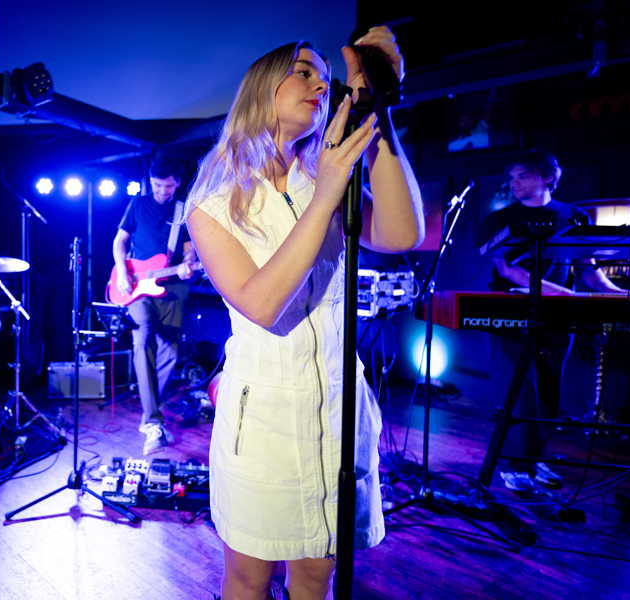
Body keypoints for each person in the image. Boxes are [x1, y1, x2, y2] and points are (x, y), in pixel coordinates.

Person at [185, 28, 423, 599]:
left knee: (317, 574)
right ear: (262, 89)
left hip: (339, 410)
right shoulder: (213, 203)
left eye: (327, 77)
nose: (321, 85)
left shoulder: (324, 177)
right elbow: (263, 305)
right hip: (263, 420)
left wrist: (378, 110)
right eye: (304, 72)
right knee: (250, 578)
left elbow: (402, 233)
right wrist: (325, 199)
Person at [478, 149, 628, 491]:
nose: (514, 183)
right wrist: (564, 294)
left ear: (547, 177)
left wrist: (620, 294)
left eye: (523, 176)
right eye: (512, 177)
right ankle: (515, 465)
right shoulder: (497, 221)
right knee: (515, 390)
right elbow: (508, 271)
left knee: (548, 389)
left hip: (558, 316)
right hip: (510, 315)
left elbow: (586, 271)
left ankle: (536, 460)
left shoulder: (574, 217)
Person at [112, 156, 200, 455]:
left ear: (178, 183)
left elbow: (188, 249)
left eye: (169, 186)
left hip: (173, 288)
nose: (163, 191)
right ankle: (152, 422)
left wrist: (188, 263)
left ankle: (150, 414)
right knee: (142, 341)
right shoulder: (137, 204)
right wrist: (122, 271)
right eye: (158, 185)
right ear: (151, 181)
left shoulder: (183, 210)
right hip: (138, 287)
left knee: (171, 353)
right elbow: (119, 241)